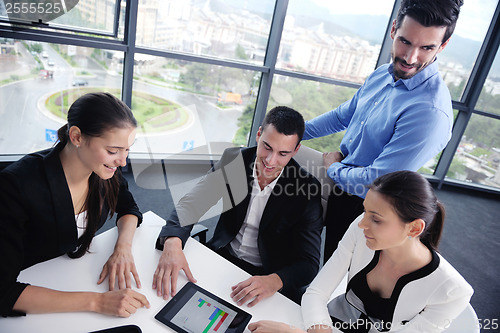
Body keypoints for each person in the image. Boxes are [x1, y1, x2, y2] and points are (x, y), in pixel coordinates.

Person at [303, 0, 464, 262]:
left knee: (344, 274)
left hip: (371, 207)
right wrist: (295, 131)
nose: (411, 58)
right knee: (323, 255)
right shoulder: (382, 75)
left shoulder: (430, 113)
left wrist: (333, 167)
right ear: (393, 30)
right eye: (405, 42)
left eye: (426, 48)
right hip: (343, 183)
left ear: (442, 46)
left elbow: (374, 183)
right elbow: (344, 115)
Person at [248, 171, 473, 333]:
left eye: (376, 219)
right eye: (365, 211)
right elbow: (316, 293)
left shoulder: (453, 291)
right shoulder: (361, 229)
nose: (363, 224)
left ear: (414, 228)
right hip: (324, 323)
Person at [153, 106, 323, 306]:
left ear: (296, 150)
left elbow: (309, 264)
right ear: (259, 134)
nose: (271, 160)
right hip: (224, 256)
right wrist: (173, 241)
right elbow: (192, 203)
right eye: (267, 147)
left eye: (283, 154)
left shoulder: (307, 188)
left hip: (266, 276)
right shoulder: (234, 160)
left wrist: (274, 280)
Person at [0, 92, 150, 318]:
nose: (122, 161)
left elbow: (129, 208)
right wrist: (97, 302)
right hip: (33, 286)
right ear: (77, 137)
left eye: (127, 149)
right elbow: (3, 292)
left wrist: (123, 248)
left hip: (67, 275)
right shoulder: (16, 185)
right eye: (113, 151)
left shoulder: (103, 170)